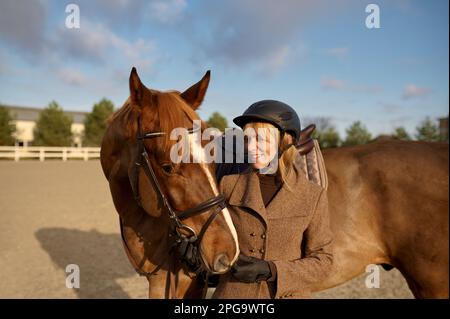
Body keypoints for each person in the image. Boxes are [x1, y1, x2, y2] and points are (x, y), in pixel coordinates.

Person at [180, 100, 334, 299]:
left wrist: (272, 270)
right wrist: (197, 260)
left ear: (285, 141)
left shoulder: (313, 196)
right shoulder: (228, 185)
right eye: (247, 139)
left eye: (261, 139)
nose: (251, 147)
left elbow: (324, 261)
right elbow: (218, 247)